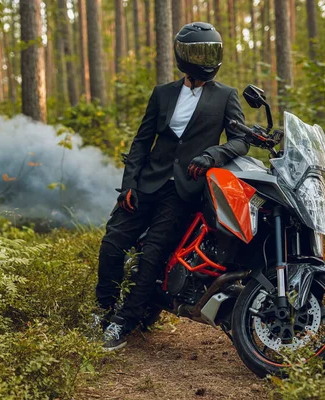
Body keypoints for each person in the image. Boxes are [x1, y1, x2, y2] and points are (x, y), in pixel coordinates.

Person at [96, 22, 250, 351]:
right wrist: (128, 186)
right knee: (112, 243)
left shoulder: (226, 96)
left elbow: (240, 141)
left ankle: (124, 323)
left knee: (153, 255)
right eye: (198, 52)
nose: (205, 59)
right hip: (147, 183)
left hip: (185, 191)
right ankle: (104, 311)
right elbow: (141, 142)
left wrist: (213, 154)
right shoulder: (162, 93)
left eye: (210, 52)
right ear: (182, 56)